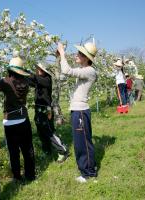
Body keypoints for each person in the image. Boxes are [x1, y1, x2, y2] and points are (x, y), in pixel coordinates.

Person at [0, 57, 36, 182]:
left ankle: (17, 177)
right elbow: (33, 78)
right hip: (23, 119)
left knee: (13, 151)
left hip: (9, 122)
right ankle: (30, 175)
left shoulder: (5, 82)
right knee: (27, 149)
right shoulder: (26, 81)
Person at [57, 42, 97, 183]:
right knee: (81, 142)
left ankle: (88, 173)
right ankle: (88, 168)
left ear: (86, 57)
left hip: (80, 112)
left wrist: (62, 53)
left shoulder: (89, 71)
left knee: (82, 143)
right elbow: (65, 72)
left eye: (80, 53)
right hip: (77, 111)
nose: (76, 55)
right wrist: (60, 58)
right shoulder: (84, 70)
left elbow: (67, 71)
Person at [28, 63, 69, 163]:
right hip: (38, 109)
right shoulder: (39, 80)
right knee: (41, 132)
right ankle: (47, 151)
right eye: (37, 69)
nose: (37, 70)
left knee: (48, 132)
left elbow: (34, 78)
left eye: (39, 69)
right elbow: (30, 81)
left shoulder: (47, 79)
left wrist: (27, 73)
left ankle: (63, 150)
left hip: (46, 110)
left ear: (44, 71)